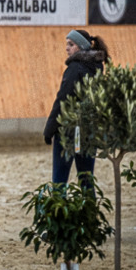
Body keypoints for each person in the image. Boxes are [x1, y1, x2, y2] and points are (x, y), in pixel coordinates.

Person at [43, 29, 111, 184]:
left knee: (59, 182)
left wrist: (49, 130)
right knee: (87, 181)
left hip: (68, 131)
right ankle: (90, 208)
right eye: (67, 44)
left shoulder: (74, 68)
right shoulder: (97, 68)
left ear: (81, 46)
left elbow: (62, 100)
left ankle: (59, 209)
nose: (67, 48)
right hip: (88, 132)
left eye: (71, 44)